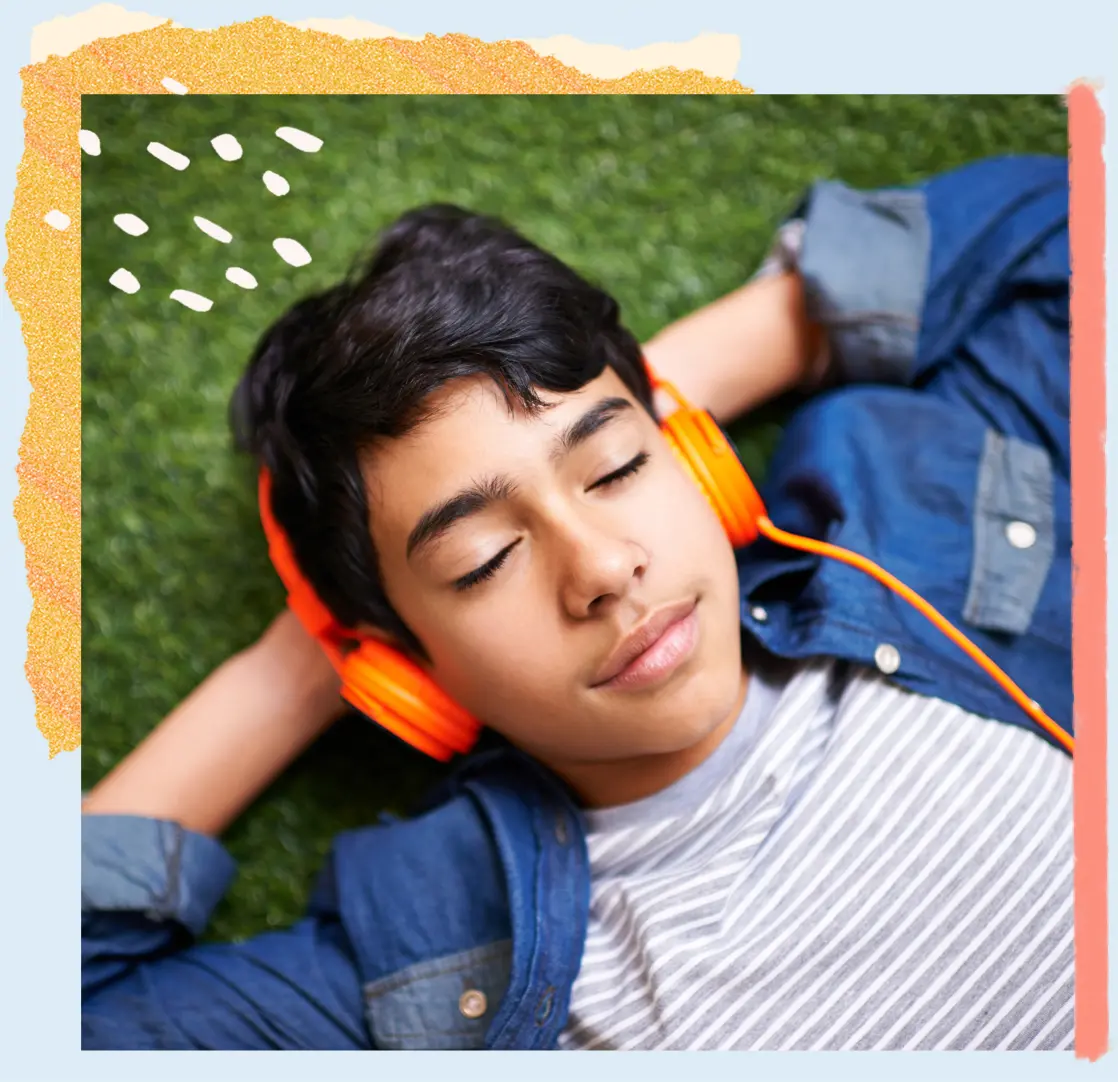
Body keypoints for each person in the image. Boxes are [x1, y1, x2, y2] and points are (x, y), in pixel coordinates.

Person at [81, 153, 1074, 1051]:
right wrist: (298, 671)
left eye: (613, 466)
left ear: (697, 463)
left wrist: (670, 378)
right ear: (410, 672)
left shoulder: (913, 514)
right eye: (483, 558)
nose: (601, 565)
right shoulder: (422, 955)